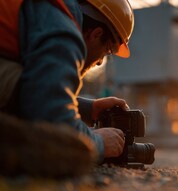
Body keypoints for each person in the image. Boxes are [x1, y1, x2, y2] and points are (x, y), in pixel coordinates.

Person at [0, 0, 134, 176]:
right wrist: (99, 142)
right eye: (108, 50)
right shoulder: (64, 31)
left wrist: (87, 109)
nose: (101, 61)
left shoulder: (46, 11)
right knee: (70, 148)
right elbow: (53, 120)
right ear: (96, 34)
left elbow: (37, 89)